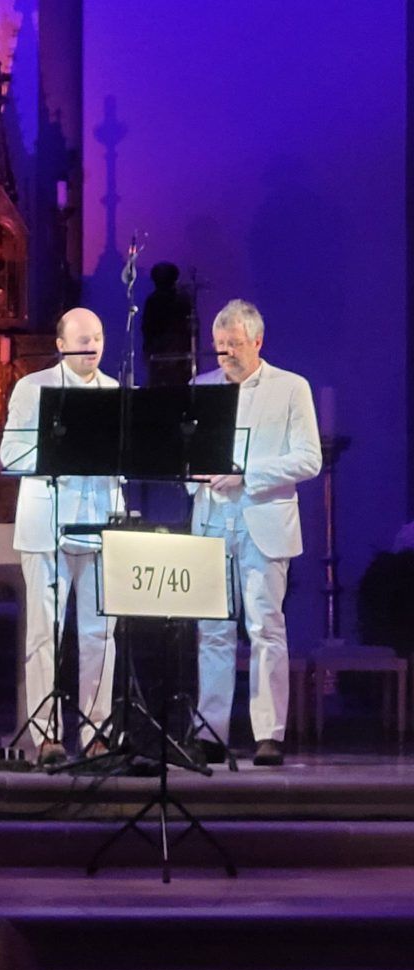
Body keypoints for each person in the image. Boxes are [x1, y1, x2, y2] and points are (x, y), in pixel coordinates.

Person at [190, 299, 321, 766]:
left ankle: (269, 733)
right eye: (219, 347)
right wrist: (195, 473)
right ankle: (210, 731)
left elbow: (309, 458)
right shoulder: (201, 387)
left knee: (265, 626)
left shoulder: (290, 388)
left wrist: (247, 473)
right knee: (212, 630)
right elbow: (186, 454)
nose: (224, 355)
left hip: (261, 519)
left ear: (258, 342)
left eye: (234, 346)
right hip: (211, 521)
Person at [0, 308, 121, 764]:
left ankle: (95, 732)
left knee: (100, 635)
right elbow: (10, 455)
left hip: (99, 525)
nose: (91, 348)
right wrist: (57, 449)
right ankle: (46, 735)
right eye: (82, 340)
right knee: (45, 633)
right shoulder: (33, 388)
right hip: (47, 525)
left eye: (98, 339)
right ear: (61, 344)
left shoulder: (114, 392)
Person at [141, 262, 193, 386]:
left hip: (175, 356)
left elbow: (146, 328)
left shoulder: (180, 300)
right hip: (164, 356)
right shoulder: (155, 300)